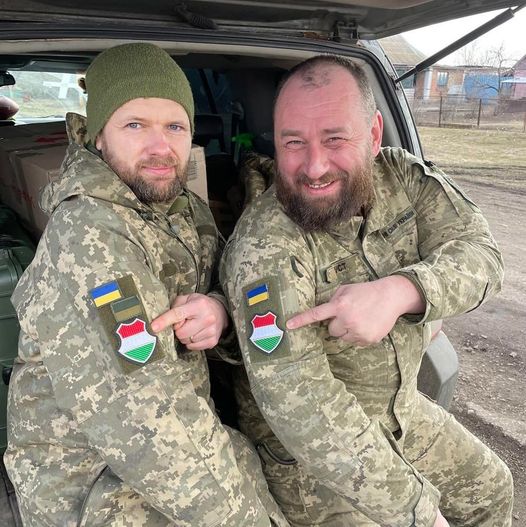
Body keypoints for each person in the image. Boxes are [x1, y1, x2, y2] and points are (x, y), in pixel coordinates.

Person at [220, 55, 513, 527]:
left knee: (491, 489)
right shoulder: (264, 246)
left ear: (374, 135)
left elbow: (482, 255)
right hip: (311, 461)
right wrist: (419, 513)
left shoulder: (401, 177)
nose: (314, 166)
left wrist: (403, 291)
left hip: (400, 412)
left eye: (335, 139)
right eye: (293, 143)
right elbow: (305, 409)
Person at [4, 42, 288, 527]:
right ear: (98, 136)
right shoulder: (89, 235)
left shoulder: (181, 208)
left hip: (182, 430)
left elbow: (234, 284)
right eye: (135, 125)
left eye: (174, 126)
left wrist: (218, 310)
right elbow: (149, 422)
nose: (160, 147)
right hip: (91, 479)